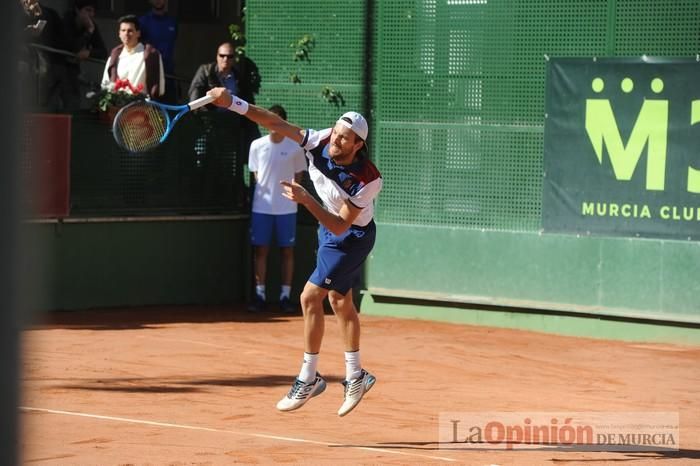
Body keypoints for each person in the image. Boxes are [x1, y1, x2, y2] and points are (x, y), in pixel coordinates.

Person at [207, 87, 382, 417]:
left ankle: (309, 376)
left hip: (353, 236)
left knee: (309, 297)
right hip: (330, 232)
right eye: (338, 133)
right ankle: (356, 374)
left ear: (359, 145)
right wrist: (231, 101)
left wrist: (306, 200)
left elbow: (342, 225)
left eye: (346, 139)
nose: (337, 141)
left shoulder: (366, 179)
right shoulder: (317, 141)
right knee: (339, 299)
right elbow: (273, 122)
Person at [247, 105, 307, 313]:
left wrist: (289, 197)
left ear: (283, 122)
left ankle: (285, 297)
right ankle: (260, 296)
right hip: (261, 208)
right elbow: (256, 175)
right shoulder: (256, 146)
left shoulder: (295, 148)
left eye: (277, 120)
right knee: (260, 251)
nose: (273, 124)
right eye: (270, 120)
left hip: (287, 209)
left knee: (287, 251)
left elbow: (299, 177)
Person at [101, 14, 165, 98]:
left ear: (138, 33)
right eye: (123, 30)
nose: (126, 34)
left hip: (141, 107)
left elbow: (160, 89)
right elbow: (105, 86)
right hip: (117, 107)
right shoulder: (114, 57)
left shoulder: (150, 55)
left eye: (130, 30)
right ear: (119, 34)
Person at [20, 0, 67, 111]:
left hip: (40, 63)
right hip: (21, 60)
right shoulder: (13, 10)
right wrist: (24, 33)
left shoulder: (48, 13)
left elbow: (62, 40)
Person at [62, 0, 107, 112]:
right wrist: (88, 32)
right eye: (87, 10)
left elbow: (103, 52)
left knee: (72, 103)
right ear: (77, 10)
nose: (91, 14)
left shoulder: (92, 25)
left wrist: (89, 53)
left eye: (93, 11)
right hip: (57, 65)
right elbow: (72, 46)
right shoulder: (66, 22)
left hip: (73, 68)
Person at [139, 0, 177, 102]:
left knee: (170, 108)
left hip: (168, 72)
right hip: (150, 72)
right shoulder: (143, 21)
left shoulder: (172, 21)